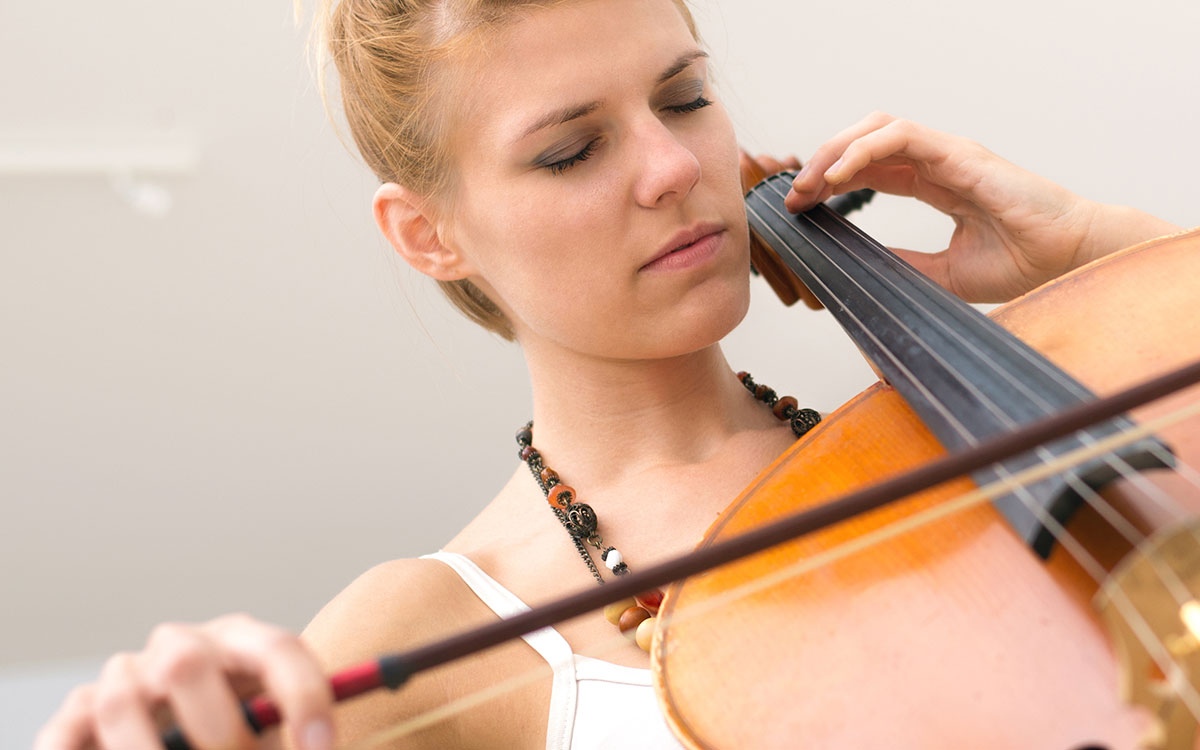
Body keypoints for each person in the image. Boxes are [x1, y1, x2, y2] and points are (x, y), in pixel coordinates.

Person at [34, 0, 1184, 749]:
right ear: (428, 234)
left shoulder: (970, 443)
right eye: (571, 150)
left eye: (684, 96)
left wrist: (1101, 250)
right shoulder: (425, 629)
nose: (676, 166)